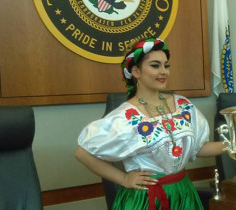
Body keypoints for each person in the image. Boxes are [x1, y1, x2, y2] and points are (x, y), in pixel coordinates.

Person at [75, 37, 226, 210]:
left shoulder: (183, 106)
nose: (164, 71)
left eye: (166, 65)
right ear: (136, 72)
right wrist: (124, 178)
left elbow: (198, 147)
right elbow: (82, 152)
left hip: (182, 194)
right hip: (145, 199)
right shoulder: (125, 117)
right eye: (155, 65)